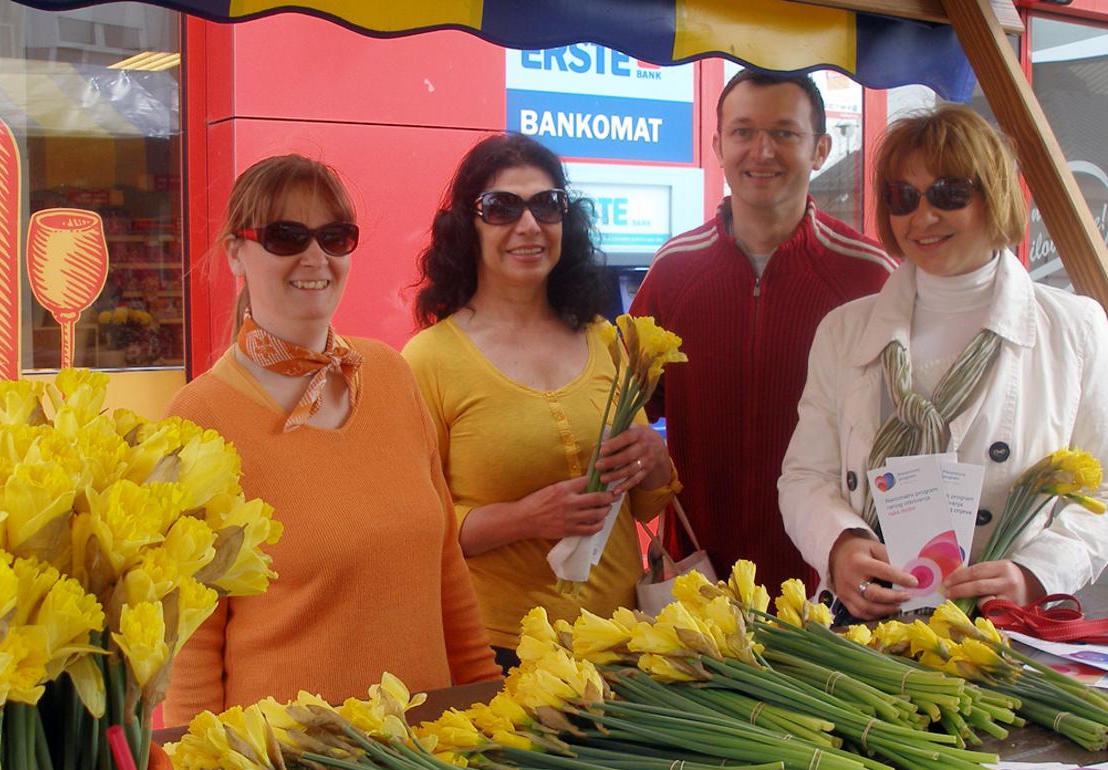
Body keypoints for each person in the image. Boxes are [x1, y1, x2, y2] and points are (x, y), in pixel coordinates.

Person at [163, 154, 500, 725]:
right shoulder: (197, 419)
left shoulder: (391, 375)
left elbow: (446, 571)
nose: (314, 257)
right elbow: (191, 643)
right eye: (285, 236)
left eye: (334, 236)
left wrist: (489, 703)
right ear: (236, 252)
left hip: (433, 756)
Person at [779, 104, 1108, 621]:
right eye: (902, 197)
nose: (922, 216)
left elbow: (1103, 490)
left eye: (949, 194)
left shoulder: (1075, 328)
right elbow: (804, 476)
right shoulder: (843, 330)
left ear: (994, 194)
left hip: (1002, 632)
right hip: (864, 628)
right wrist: (840, 544)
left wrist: (1036, 573)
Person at [403, 134, 679, 668]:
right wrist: (526, 518)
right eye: (501, 207)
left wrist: (653, 460)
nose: (528, 225)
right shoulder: (428, 361)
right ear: (468, 225)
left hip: (626, 644)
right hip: (503, 652)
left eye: (547, 205)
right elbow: (419, 529)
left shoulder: (604, 339)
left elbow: (646, 503)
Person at [630, 69, 895, 596]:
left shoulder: (871, 277)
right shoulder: (675, 271)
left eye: (784, 133)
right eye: (743, 132)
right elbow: (623, 403)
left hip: (831, 587)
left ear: (820, 149)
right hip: (699, 581)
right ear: (717, 145)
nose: (762, 151)